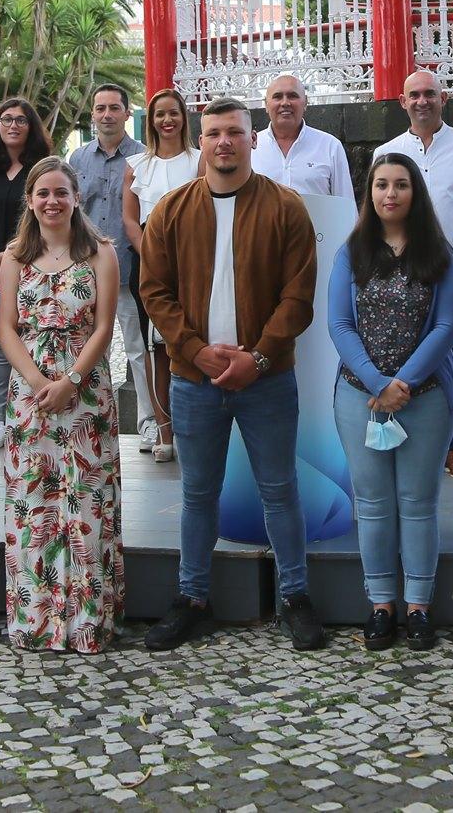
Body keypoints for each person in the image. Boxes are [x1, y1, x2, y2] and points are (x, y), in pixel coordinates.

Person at [138, 96, 323, 652]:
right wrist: (193, 351)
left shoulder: (286, 207)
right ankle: (191, 597)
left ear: (252, 139)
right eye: (214, 133)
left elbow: (299, 295)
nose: (224, 142)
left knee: (281, 489)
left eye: (235, 133)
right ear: (202, 141)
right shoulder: (170, 211)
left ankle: (295, 596)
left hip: (266, 378)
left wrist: (258, 357)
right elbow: (154, 292)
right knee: (198, 492)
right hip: (194, 382)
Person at [328, 153, 453, 651]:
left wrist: (402, 382)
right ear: (370, 194)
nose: (390, 194)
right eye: (381, 185)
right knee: (373, 502)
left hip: (424, 397)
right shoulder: (352, 252)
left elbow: (449, 326)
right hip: (359, 397)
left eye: (401, 185)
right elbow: (339, 324)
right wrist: (375, 382)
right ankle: (382, 603)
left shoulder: (438, 253)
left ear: (415, 192)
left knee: (418, 501)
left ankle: (420, 606)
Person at [0, 156, 123, 652]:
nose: (52, 202)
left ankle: (88, 621)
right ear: (30, 200)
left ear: (75, 199)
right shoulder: (13, 257)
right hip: (30, 394)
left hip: (85, 389)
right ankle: (37, 621)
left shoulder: (100, 253)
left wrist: (70, 379)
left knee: (86, 501)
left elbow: (105, 327)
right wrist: (35, 380)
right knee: (35, 503)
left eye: (61, 193)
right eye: (43, 193)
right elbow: (7, 326)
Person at [377, 70, 453, 483]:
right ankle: (402, 441)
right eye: (414, 95)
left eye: (430, 94)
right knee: (400, 363)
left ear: (444, 99)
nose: (422, 101)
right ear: (402, 103)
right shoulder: (387, 152)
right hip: (401, 281)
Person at [66, 84, 148, 451]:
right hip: (85, 268)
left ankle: (148, 421)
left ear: (127, 114)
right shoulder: (77, 159)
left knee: (138, 348)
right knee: (82, 346)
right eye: (100, 108)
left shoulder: (144, 158)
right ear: (92, 114)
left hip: (130, 269)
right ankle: (79, 417)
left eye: (115, 108)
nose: (107, 115)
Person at [0, 97, 53, 452]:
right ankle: (1, 420)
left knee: (35, 337)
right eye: (6, 119)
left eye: (21, 120)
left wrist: (9, 257)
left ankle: (37, 410)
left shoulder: (41, 169)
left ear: (31, 126)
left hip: (31, 263)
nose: (13, 125)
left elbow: (44, 219)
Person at [123, 88, 199, 462]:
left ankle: (196, 430)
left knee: (192, 339)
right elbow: (129, 219)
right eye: (159, 115)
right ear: (150, 121)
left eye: (173, 113)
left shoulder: (199, 161)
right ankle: (165, 433)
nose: (166, 121)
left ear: (184, 118)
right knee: (157, 350)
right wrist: (151, 254)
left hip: (193, 263)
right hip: (149, 265)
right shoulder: (136, 165)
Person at [252, 73, 354, 198]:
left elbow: (345, 203)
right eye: (277, 97)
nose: (285, 103)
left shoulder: (330, 146)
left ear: (305, 102)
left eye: (292, 96)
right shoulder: (250, 148)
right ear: (266, 105)